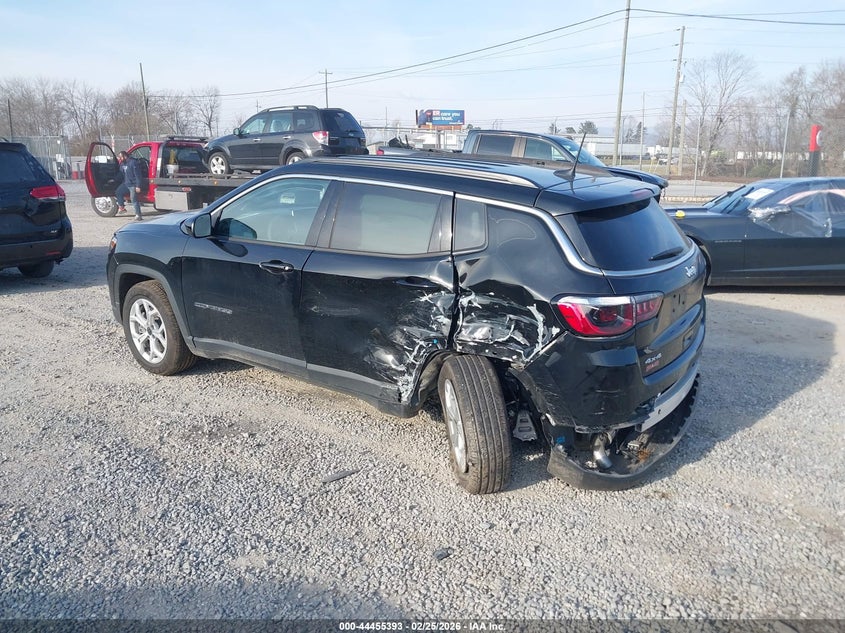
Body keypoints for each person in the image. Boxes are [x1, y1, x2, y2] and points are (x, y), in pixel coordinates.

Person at [115, 151, 143, 220]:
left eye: (121, 157)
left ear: (125, 156)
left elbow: (138, 175)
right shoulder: (122, 164)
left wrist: (138, 186)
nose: (120, 159)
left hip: (133, 185)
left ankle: (138, 215)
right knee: (118, 192)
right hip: (126, 183)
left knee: (133, 199)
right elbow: (121, 174)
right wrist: (113, 179)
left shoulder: (133, 163)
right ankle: (122, 207)